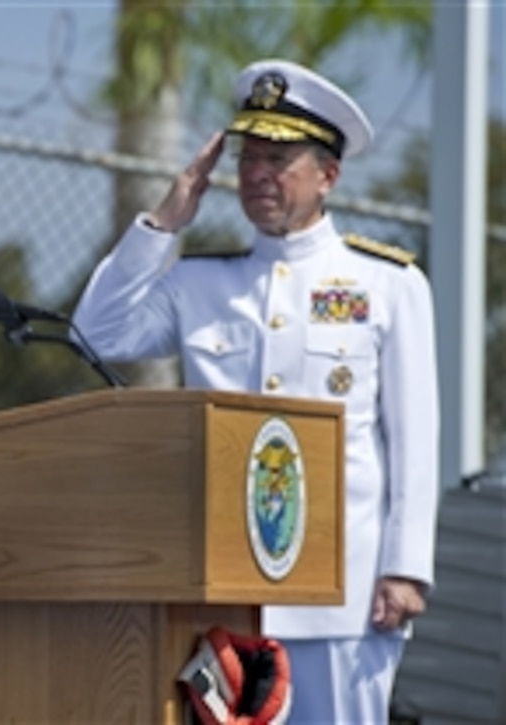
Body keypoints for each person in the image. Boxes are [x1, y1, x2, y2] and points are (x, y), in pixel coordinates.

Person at [72, 58, 439, 723]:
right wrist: (166, 217)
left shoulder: (385, 285)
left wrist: (406, 567)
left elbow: (412, 437)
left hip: (346, 598)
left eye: (280, 158)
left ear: (328, 175)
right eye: (248, 157)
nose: (258, 173)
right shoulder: (202, 284)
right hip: (223, 590)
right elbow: (97, 332)